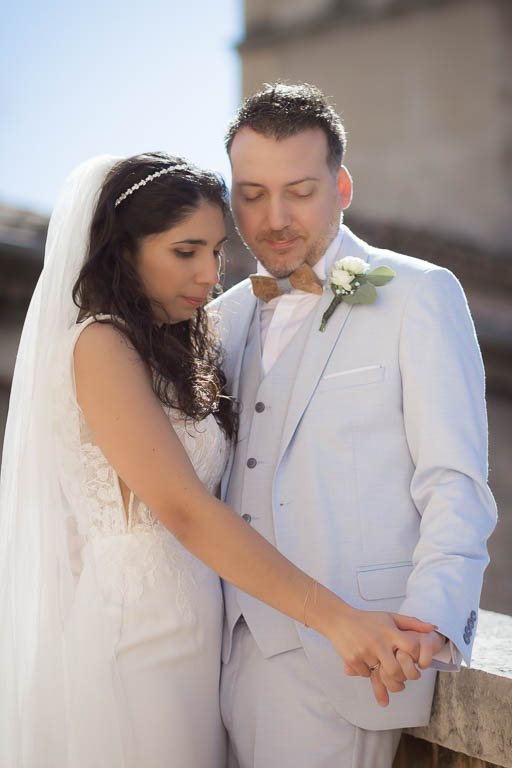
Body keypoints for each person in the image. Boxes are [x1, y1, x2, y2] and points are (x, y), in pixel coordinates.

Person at [0, 152, 435, 768]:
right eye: (185, 252)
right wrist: (339, 620)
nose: (210, 273)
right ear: (124, 251)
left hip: (205, 645)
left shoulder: (176, 347)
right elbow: (185, 510)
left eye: (216, 250)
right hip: (139, 640)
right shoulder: (99, 345)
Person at [210, 83, 498, 768]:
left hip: (347, 667)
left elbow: (454, 483)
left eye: (299, 191)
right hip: (211, 658)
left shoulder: (418, 294)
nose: (274, 217)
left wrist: (423, 628)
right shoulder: (220, 318)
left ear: (341, 186)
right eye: (252, 194)